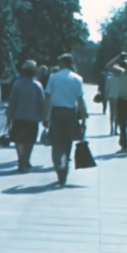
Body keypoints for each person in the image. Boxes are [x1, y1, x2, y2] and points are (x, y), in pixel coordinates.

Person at [44, 53, 87, 187]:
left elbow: (47, 98)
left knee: (56, 142)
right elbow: (80, 101)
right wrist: (84, 120)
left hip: (56, 112)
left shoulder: (53, 77)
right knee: (67, 141)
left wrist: (45, 116)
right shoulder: (77, 79)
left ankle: (59, 167)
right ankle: (64, 170)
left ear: (62, 63)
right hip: (70, 113)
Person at [6, 60, 45, 173]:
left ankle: (20, 160)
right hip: (33, 118)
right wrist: (44, 116)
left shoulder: (17, 84)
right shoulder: (37, 85)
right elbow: (41, 102)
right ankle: (26, 159)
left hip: (18, 117)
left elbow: (12, 101)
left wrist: (9, 114)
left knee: (19, 140)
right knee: (30, 140)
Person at [105, 71, 120, 135]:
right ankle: (116, 129)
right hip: (118, 97)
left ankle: (112, 128)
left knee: (112, 113)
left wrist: (106, 96)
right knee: (117, 114)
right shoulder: (120, 78)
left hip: (111, 96)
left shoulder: (109, 78)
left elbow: (106, 88)